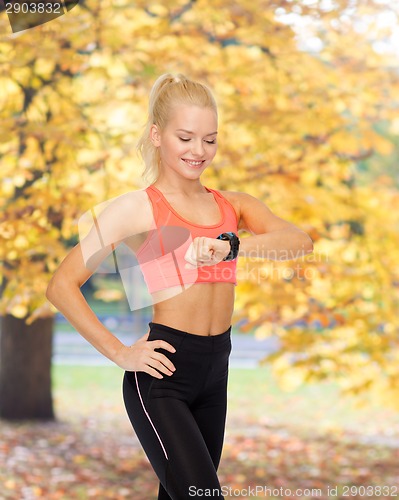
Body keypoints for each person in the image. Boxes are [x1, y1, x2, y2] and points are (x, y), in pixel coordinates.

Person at [46, 73, 314, 500]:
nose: (199, 151)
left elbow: (299, 242)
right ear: (157, 134)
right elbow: (61, 285)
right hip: (163, 372)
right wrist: (120, 352)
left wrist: (232, 245)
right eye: (185, 137)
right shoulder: (136, 208)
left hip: (216, 369)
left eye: (210, 140)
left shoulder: (232, 206)